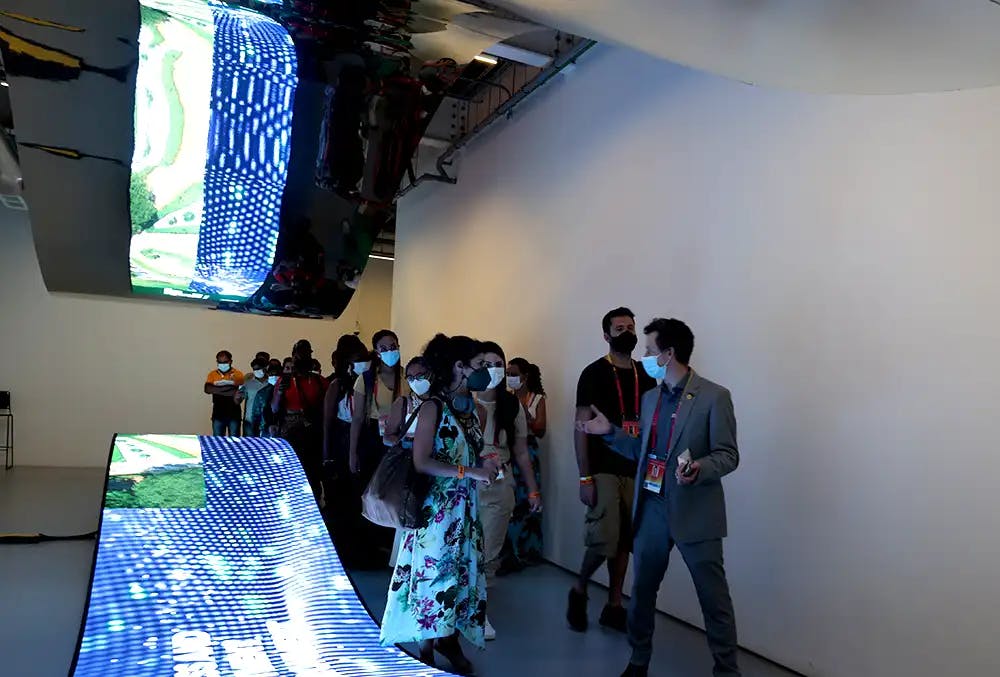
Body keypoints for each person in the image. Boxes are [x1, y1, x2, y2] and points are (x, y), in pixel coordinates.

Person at [579, 318, 740, 677]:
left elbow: (728, 454)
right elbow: (643, 452)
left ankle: (727, 670)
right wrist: (610, 433)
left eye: (650, 350)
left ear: (668, 354)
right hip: (651, 507)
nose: (645, 356)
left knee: (713, 599)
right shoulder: (650, 398)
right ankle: (638, 661)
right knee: (643, 591)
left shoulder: (714, 397)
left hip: (695, 510)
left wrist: (700, 467)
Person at [380, 334, 498, 675]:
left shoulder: (472, 410)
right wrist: (470, 472)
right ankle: (426, 648)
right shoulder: (433, 407)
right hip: (437, 511)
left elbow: (473, 451)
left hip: (465, 510)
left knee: (459, 576)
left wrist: (486, 463)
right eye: (478, 365)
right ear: (459, 366)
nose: (484, 371)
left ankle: (448, 638)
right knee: (432, 576)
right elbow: (422, 461)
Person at [569, 307, 656, 633]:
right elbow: (580, 427)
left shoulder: (645, 374)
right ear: (606, 335)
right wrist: (584, 476)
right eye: (619, 328)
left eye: (630, 327)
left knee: (624, 540)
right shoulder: (593, 373)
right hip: (603, 466)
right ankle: (579, 589)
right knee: (603, 537)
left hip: (635, 466)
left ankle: (614, 605)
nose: (626, 332)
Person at [474, 342, 542, 641]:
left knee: (488, 552)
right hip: (467, 483)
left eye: (498, 364)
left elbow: (522, 452)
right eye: (486, 365)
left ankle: (479, 613)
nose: (494, 370)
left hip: (499, 485)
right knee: (464, 549)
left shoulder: (511, 405)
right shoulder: (465, 400)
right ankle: (458, 610)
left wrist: (533, 491)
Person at [348, 329, 408, 565]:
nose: (390, 351)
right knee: (373, 490)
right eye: (384, 348)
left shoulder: (408, 377)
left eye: (393, 346)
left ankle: (392, 547)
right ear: (376, 352)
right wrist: (352, 453)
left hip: (403, 438)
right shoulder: (366, 379)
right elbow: (357, 419)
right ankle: (371, 546)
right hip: (374, 439)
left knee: (397, 491)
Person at [321, 333, 371, 568]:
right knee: (342, 498)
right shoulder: (337, 384)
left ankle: (360, 549)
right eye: (356, 358)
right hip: (341, 442)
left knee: (359, 496)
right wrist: (326, 455)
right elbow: (327, 422)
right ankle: (342, 552)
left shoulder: (368, 382)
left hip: (363, 440)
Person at [272, 340, 327, 499]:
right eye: (297, 356)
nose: (301, 359)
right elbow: (274, 408)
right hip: (289, 426)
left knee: (312, 469)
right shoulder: (284, 380)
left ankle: (314, 501)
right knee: (290, 468)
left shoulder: (318, 381)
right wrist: (280, 393)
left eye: (305, 354)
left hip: (312, 428)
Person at [505, 357, 546, 566]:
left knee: (528, 497)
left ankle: (527, 551)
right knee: (509, 498)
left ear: (525, 376)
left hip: (528, 449)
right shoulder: (506, 399)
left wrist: (526, 418)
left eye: (514, 374)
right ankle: (508, 552)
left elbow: (541, 429)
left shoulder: (537, 399)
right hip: (508, 450)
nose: (509, 378)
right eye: (507, 374)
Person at [204, 350, 245, 436]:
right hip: (218, 413)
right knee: (218, 440)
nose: (222, 364)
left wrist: (217, 388)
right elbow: (207, 389)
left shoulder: (238, 374)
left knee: (234, 440)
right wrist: (230, 388)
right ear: (217, 362)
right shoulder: (212, 374)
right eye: (220, 362)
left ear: (231, 361)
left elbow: (240, 390)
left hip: (234, 413)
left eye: (225, 362)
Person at [250, 361, 283, 437]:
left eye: (276, 374)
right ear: (267, 374)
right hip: (265, 429)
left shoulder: (287, 391)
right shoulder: (262, 392)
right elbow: (256, 415)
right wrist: (255, 433)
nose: (274, 376)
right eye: (271, 374)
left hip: (283, 428)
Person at [239, 357, 269, 437]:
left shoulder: (271, 382)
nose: (256, 371)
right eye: (254, 369)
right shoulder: (248, 383)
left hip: (267, 421)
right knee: (249, 443)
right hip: (250, 420)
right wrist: (237, 396)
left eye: (258, 369)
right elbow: (238, 399)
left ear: (265, 368)